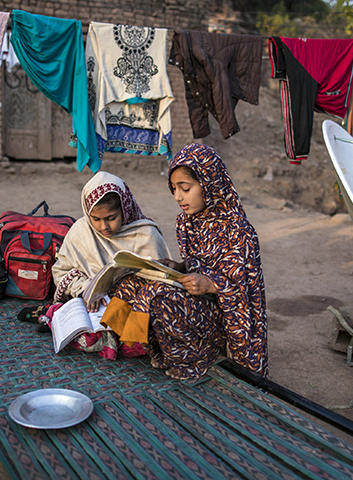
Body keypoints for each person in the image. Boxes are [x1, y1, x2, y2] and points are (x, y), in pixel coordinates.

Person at [104, 143, 268, 379]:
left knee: (159, 297)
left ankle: (195, 362)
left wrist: (210, 284)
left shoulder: (238, 231)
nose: (178, 197)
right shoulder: (187, 222)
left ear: (209, 184)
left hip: (227, 320)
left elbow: (246, 293)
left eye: (185, 188)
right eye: (173, 189)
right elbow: (197, 263)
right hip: (200, 306)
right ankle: (126, 342)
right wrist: (178, 267)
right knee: (130, 282)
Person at [18, 171, 171, 359]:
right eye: (96, 219)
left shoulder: (146, 235)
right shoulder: (81, 231)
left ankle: (52, 318)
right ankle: (60, 320)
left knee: (136, 340)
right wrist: (87, 288)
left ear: (125, 208)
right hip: (91, 306)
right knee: (88, 331)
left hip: (131, 308)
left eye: (111, 218)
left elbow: (163, 282)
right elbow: (60, 271)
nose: (103, 226)